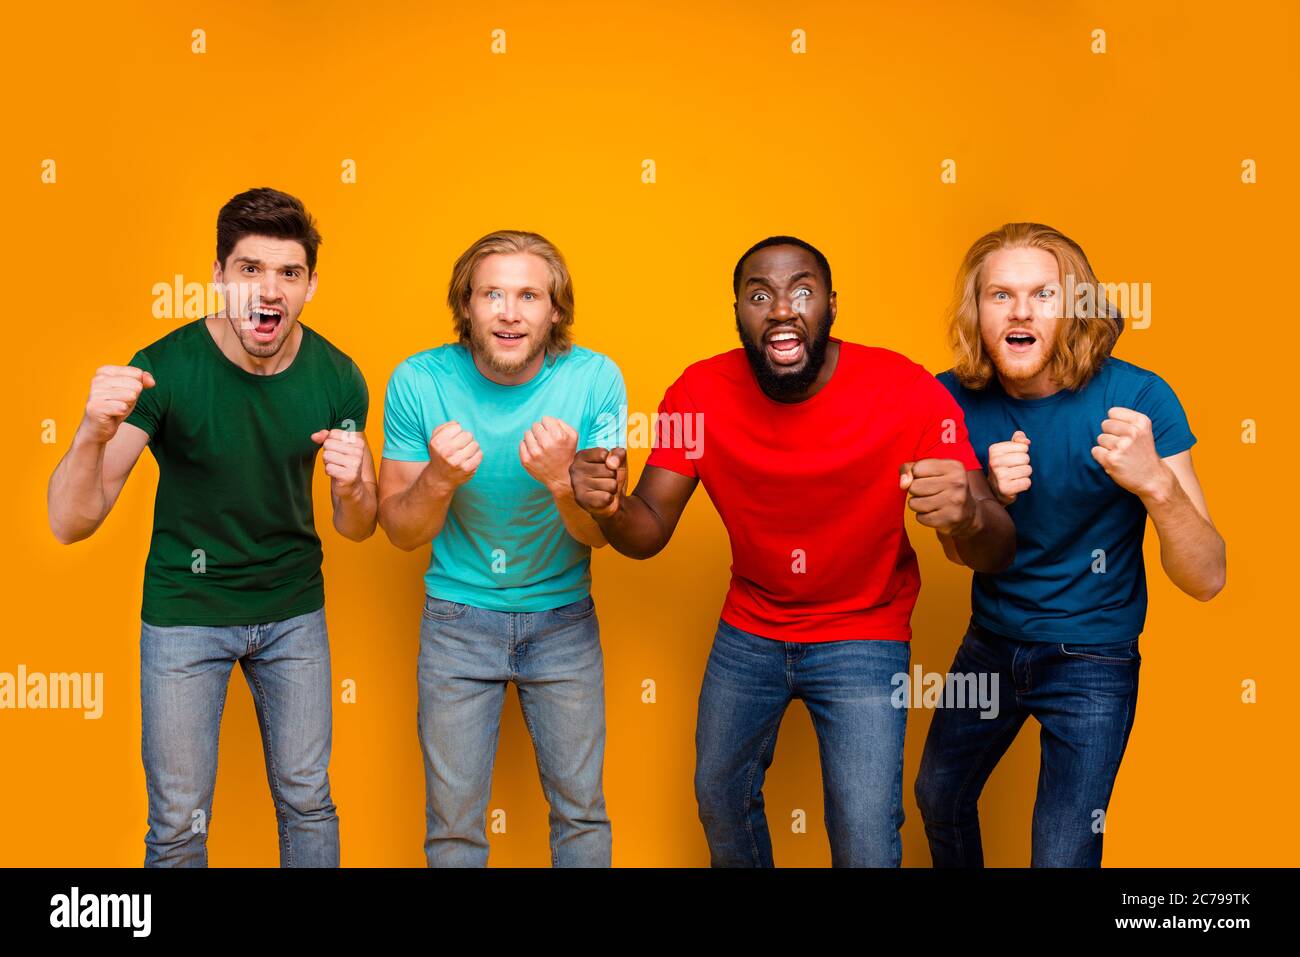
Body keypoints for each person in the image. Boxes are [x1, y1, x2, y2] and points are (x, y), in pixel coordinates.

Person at [569, 236, 1014, 866]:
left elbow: (994, 549)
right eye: (759, 295)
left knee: (864, 831)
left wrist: (969, 515)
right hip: (750, 629)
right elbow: (647, 531)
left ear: (832, 306)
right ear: (738, 313)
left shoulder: (905, 389)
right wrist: (608, 505)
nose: (781, 308)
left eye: (801, 291)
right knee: (720, 797)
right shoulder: (697, 393)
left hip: (865, 632)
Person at [47, 187, 376, 866]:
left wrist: (356, 481)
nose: (269, 288)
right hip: (185, 613)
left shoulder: (341, 377)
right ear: (220, 277)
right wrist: (89, 432)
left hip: (292, 613)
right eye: (250, 268)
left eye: (288, 272)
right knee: (177, 824)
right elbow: (70, 520)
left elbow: (356, 525)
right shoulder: (163, 368)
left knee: (309, 800)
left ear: (310, 285)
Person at [914, 222, 1226, 867]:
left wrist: (1157, 485)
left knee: (1062, 854)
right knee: (938, 796)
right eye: (1000, 295)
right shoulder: (947, 398)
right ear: (977, 311)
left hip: (1093, 658)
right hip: (991, 641)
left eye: (1043, 295)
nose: (1021, 311)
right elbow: (958, 552)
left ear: (1078, 308)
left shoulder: (1139, 398)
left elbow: (1207, 578)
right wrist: (984, 502)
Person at [377, 230, 625, 867]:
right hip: (456, 624)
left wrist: (558, 481)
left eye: (528, 295)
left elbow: (601, 531)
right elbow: (401, 531)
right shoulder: (418, 379)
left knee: (582, 814)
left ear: (555, 310)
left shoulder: (596, 379)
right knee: (455, 827)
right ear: (467, 305)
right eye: (492, 294)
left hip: (564, 620)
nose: (510, 312)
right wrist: (438, 479)